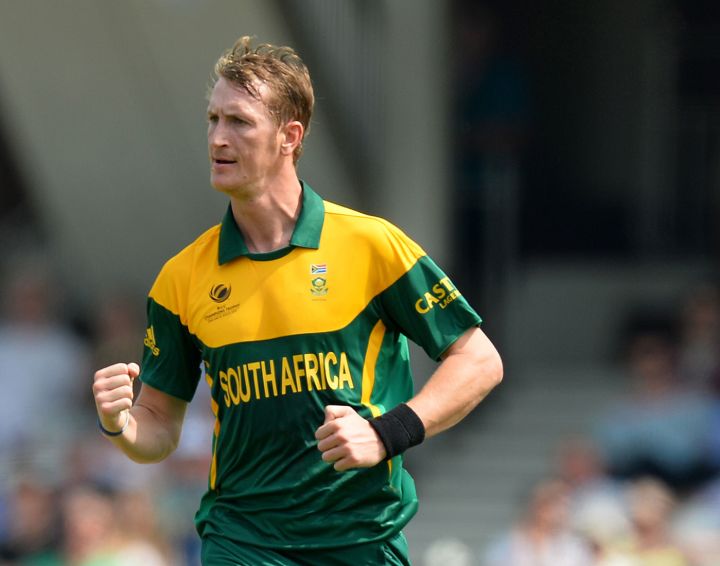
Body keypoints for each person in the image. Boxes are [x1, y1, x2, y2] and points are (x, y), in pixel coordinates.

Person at [91, 36, 503, 565]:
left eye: (239, 122)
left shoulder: (371, 245)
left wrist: (387, 433)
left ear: (289, 136)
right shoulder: (181, 277)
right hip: (241, 541)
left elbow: (479, 360)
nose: (218, 137)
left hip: (360, 539)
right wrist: (121, 424)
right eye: (213, 119)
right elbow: (159, 424)